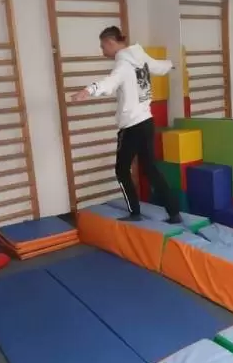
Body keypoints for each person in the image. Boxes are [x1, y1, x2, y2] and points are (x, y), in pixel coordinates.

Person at [72, 26, 181, 223]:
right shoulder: (140, 57)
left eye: (103, 46)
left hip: (131, 127)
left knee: (121, 170)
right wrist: (172, 64)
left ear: (111, 42)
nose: (102, 51)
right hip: (147, 122)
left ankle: (135, 213)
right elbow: (158, 66)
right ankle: (174, 212)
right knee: (150, 169)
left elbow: (110, 82)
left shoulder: (123, 64)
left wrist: (89, 90)